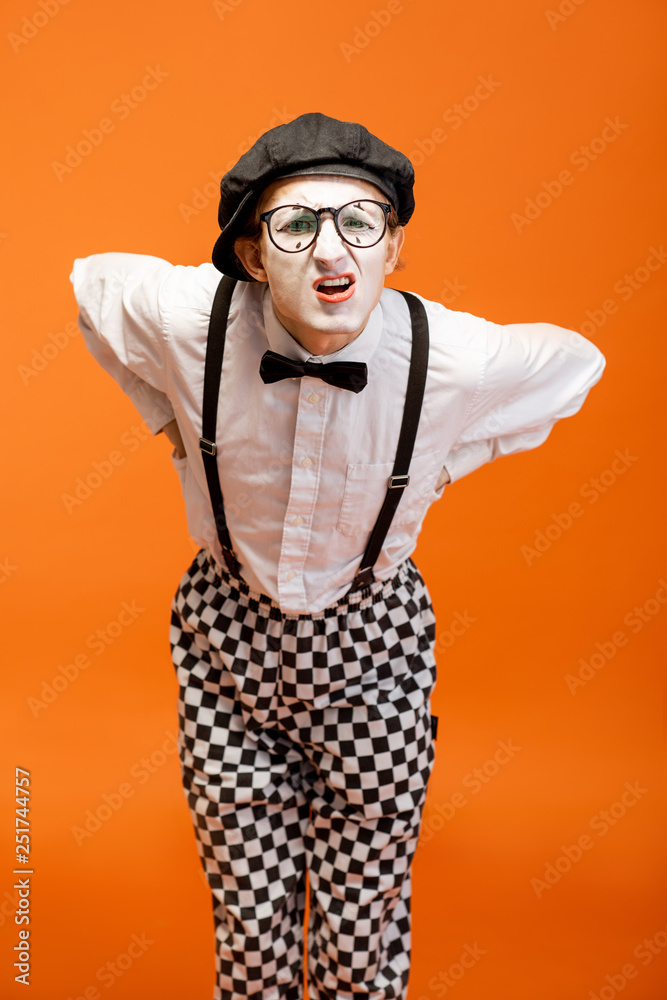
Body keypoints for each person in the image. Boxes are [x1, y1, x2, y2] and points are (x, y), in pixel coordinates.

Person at [69, 111, 606, 1000]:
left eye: (359, 222)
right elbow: (90, 285)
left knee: (363, 916)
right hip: (225, 643)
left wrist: (444, 464)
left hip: (374, 652)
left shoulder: (452, 358)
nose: (332, 251)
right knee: (250, 911)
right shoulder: (187, 320)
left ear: (391, 248)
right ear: (251, 254)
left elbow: (573, 366)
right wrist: (166, 417)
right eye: (295, 225)